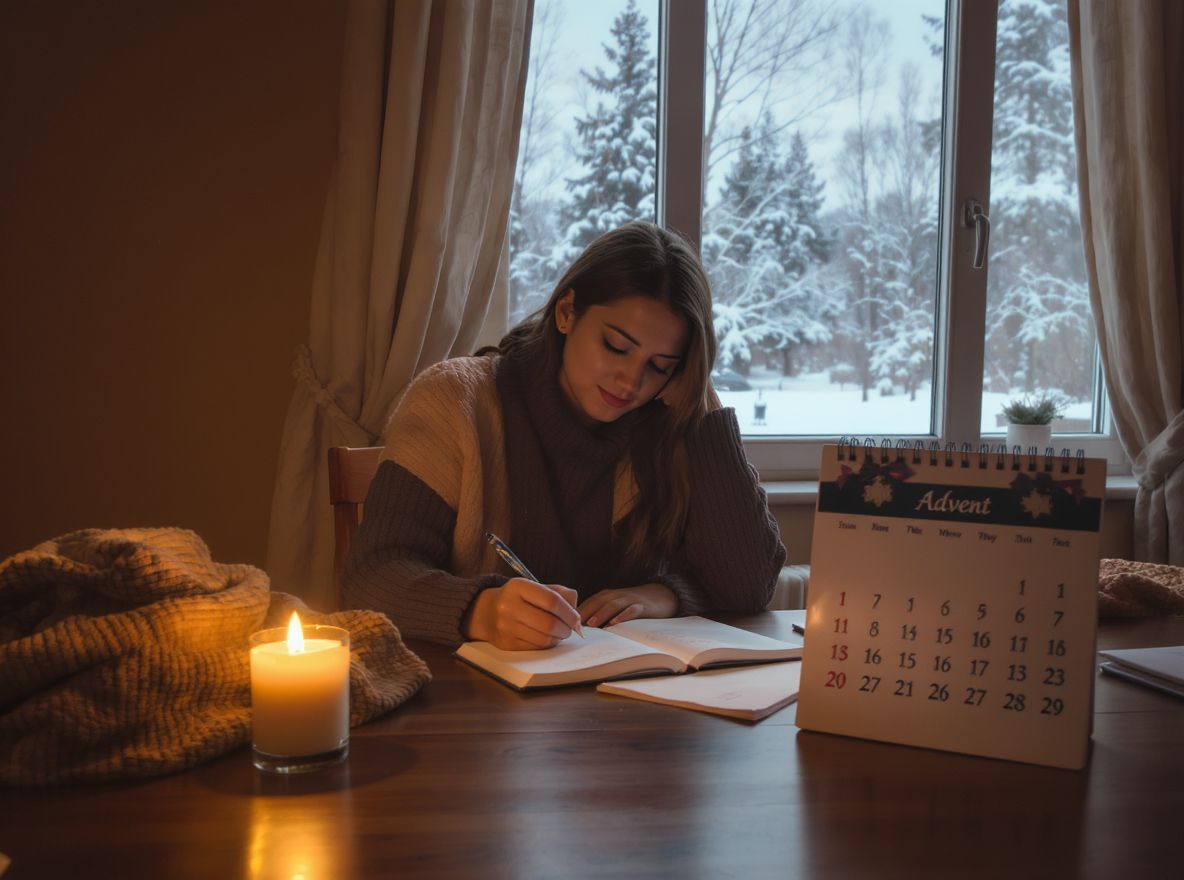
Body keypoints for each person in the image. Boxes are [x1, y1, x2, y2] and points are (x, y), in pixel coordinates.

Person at [343, 221, 786, 650]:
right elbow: (374, 574)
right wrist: (482, 610)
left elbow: (748, 584)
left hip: (632, 706)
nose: (631, 382)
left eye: (660, 365)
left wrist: (665, 594)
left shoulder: (667, 418)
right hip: (478, 705)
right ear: (566, 312)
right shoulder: (456, 401)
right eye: (616, 346)